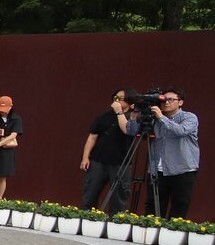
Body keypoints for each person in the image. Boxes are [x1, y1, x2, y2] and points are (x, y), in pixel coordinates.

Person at [127, 88, 199, 219]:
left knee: (179, 204)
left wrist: (161, 117)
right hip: (157, 168)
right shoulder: (154, 117)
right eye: (164, 100)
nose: (166, 103)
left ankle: (173, 231)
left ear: (180, 102)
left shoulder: (189, 117)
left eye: (170, 100)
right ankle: (151, 229)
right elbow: (132, 132)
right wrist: (134, 115)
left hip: (182, 168)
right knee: (153, 204)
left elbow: (180, 131)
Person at [80, 88, 136, 213]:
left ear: (129, 100)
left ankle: (115, 221)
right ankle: (86, 217)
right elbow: (92, 137)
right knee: (90, 193)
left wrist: (119, 112)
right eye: (115, 98)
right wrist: (85, 157)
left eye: (120, 98)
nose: (117, 100)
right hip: (98, 160)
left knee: (119, 196)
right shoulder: (104, 116)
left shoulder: (133, 117)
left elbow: (127, 129)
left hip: (121, 163)